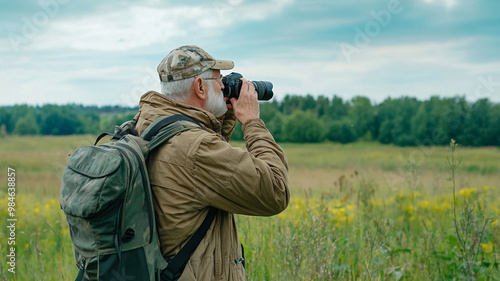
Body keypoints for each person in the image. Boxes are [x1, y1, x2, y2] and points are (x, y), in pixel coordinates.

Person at [134, 45, 290, 281]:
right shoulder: (197, 149)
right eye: (218, 81)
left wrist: (221, 113)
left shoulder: (147, 127)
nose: (223, 86)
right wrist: (251, 122)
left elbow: (203, 168)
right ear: (199, 87)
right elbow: (275, 191)